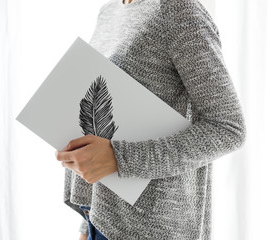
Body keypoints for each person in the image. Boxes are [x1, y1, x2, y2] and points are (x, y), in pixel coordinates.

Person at [55, 0, 247, 239]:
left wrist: (120, 157)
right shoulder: (109, 11)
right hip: (100, 219)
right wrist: (86, 226)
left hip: (153, 227)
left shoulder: (179, 11)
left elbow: (228, 128)